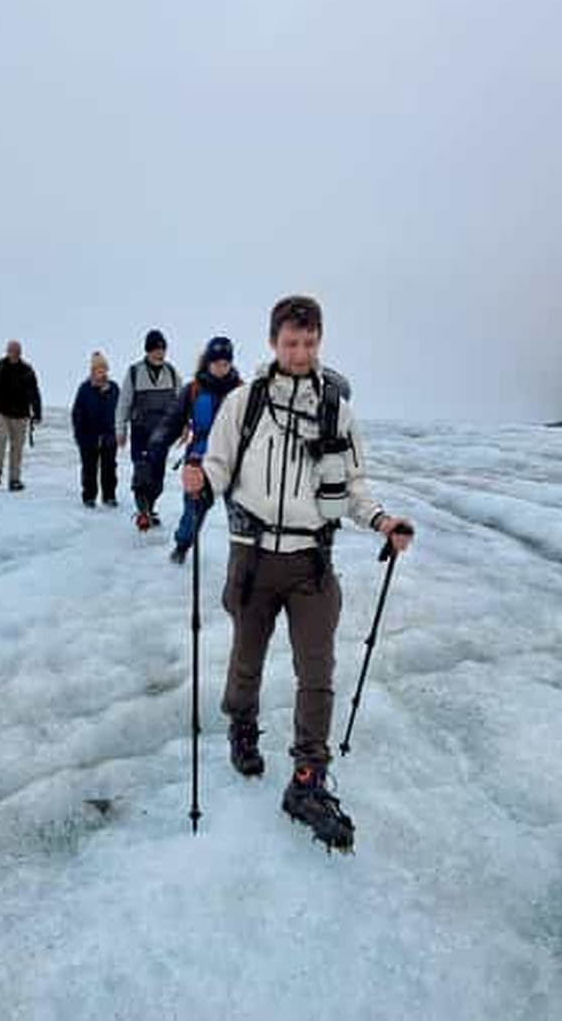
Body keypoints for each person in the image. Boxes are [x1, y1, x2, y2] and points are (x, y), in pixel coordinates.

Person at [182, 295, 413, 851]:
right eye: (291, 342)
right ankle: (242, 727)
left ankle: (308, 779)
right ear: (273, 342)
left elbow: (354, 487)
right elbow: (218, 464)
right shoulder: (245, 402)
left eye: (309, 343)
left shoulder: (336, 409)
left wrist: (383, 521)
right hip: (253, 556)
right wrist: (201, 480)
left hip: (312, 561)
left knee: (317, 670)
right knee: (247, 658)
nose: (301, 353)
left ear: (319, 341)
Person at [147, 335, 241, 563]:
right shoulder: (193, 390)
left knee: (242, 514)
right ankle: (182, 545)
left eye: (225, 363)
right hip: (200, 459)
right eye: (217, 362)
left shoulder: (241, 392)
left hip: (233, 460)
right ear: (208, 362)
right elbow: (172, 421)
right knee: (192, 511)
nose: (221, 367)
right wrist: (157, 443)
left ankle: (244, 559)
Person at [115, 329, 182, 528]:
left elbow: (181, 404)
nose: (159, 353)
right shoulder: (134, 372)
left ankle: (150, 508)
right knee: (142, 472)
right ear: (148, 351)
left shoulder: (172, 373)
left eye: (162, 349)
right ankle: (143, 512)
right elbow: (123, 404)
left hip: (162, 434)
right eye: (155, 349)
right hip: (141, 433)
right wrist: (120, 430)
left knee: (157, 478)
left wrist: (184, 425)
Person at [0, 340, 42, 491]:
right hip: (1, 411)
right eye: (11, 351)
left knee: (17, 447)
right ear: (7, 352)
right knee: (0, 438)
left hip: (21, 414)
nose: (14, 354)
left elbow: (34, 392)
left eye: (17, 351)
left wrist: (37, 412)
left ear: (20, 353)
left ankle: (14, 479)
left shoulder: (27, 370)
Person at [71, 351, 120, 508]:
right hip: (88, 436)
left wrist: (119, 432)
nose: (101, 372)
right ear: (92, 371)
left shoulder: (114, 388)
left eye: (103, 369)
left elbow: (121, 411)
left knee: (109, 468)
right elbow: (77, 413)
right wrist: (79, 435)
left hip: (109, 436)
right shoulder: (84, 389)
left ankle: (109, 496)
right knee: (89, 468)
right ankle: (89, 496)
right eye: (98, 369)